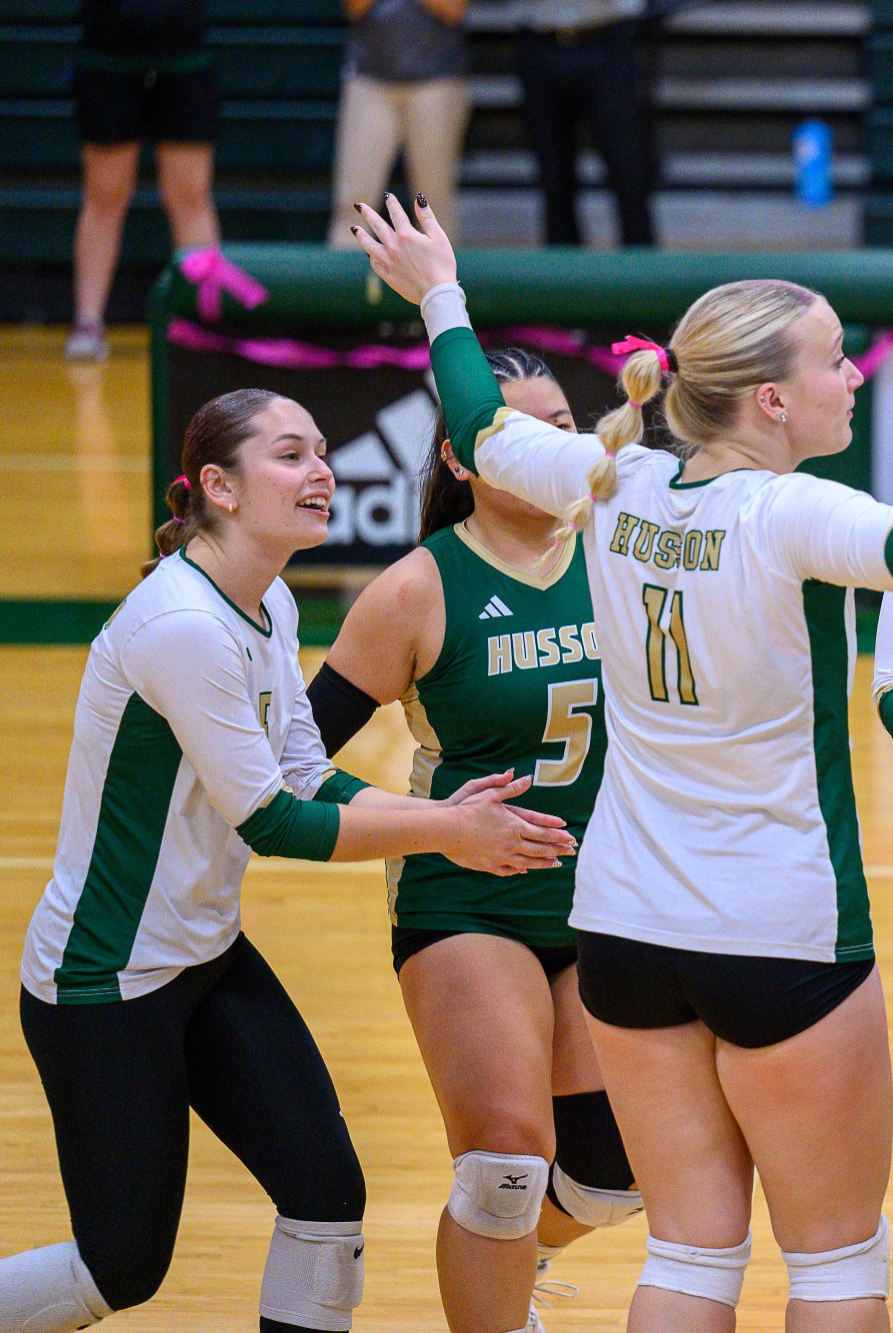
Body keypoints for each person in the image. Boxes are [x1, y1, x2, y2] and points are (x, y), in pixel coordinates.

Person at [352, 191, 893, 1333]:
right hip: (778, 932)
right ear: (773, 397)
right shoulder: (785, 511)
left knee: (686, 1256)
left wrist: (440, 291)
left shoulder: (608, 481)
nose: (856, 376)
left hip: (624, 930)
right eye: (836, 360)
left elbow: (478, 424)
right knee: (831, 1266)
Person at [0, 389, 576, 1333]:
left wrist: (437, 814)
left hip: (205, 958)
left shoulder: (269, 599)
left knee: (327, 1201)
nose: (322, 470)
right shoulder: (182, 627)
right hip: (106, 979)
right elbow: (274, 820)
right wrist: (444, 831)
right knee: (121, 1266)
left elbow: (303, 769)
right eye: (292, 455)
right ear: (220, 485)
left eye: (325, 450)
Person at [306, 350, 639, 1333]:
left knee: (613, 1177)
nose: (554, 450)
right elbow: (284, 764)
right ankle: (492, 1285)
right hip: (468, 904)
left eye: (562, 426)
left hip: (612, 897)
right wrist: (439, 826)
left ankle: (497, 1268)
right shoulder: (415, 588)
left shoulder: (625, 546)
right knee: (501, 1166)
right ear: (460, 456)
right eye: (518, 431)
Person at [67, 0, 221, 360]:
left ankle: (204, 321)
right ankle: (88, 321)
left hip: (183, 54)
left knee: (190, 195)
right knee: (105, 194)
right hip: (108, 54)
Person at [325, 0, 473, 247]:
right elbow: (355, 7)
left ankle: (440, 284)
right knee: (353, 203)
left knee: (433, 206)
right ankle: (342, 284)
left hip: (436, 81)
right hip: (370, 80)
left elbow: (452, 9)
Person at [515, 0, 654, 246]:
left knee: (629, 169)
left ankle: (644, 277)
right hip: (539, 37)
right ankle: (561, 278)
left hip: (607, 34)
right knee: (553, 175)